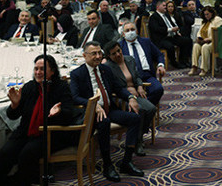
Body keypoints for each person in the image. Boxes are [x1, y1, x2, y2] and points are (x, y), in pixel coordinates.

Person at [0, 54, 77, 185]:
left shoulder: (61, 87)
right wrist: (15, 105)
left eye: (42, 69)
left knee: (26, 155)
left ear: (52, 71)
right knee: (4, 154)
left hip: (50, 133)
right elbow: (12, 116)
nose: (38, 72)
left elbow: (69, 114)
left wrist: (58, 112)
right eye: (36, 69)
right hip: (26, 131)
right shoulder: (29, 87)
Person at [70, 41, 144, 181]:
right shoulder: (77, 74)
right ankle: (107, 165)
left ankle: (127, 162)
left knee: (135, 118)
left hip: (109, 109)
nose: (98, 56)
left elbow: (118, 88)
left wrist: (131, 97)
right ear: (84, 56)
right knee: (104, 123)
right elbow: (74, 97)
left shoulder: (105, 69)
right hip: (92, 114)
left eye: (100, 53)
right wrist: (92, 105)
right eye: (94, 54)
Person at [104, 41, 157, 156]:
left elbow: (137, 76)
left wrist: (139, 86)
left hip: (137, 93)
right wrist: (127, 91)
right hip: (122, 97)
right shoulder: (108, 67)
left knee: (151, 109)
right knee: (141, 110)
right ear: (109, 56)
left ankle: (140, 134)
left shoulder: (129, 59)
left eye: (119, 51)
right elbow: (113, 87)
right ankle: (137, 142)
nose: (118, 54)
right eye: (114, 54)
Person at [119, 21, 166, 105]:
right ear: (123, 34)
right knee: (128, 95)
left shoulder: (145, 42)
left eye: (132, 29)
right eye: (127, 30)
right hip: (131, 79)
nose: (130, 32)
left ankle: (146, 107)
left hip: (147, 75)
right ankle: (145, 108)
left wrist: (160, 65)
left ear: (136, 31)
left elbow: (159, 54)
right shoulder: (120, 46)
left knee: (158, 89)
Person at [148, 0, 189, 68]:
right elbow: (156, 29)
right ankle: (174, 63)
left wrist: (177, 31)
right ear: (158, 7)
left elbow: (172, 24)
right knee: (170, 46)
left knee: (187, 40)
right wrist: (170, 30)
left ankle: (183, 61)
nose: (165, 7)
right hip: (161, 39)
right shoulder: (154, 17)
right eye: (164, 6)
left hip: (171, 36)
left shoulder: (166, 15)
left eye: (165, 6)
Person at [189, 6, 222, 77]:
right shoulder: (204, 21)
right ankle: (194, 67)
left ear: (212, 13)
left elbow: (219, 33)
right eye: (205, 14)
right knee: (196, 46)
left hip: (214, 42)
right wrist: (199, 38)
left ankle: (204, 69)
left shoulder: (217, 20)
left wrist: (210, 39)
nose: (206, 16)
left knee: (205, 47)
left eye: (207, 14)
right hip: (204, 41)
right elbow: (199, 32)